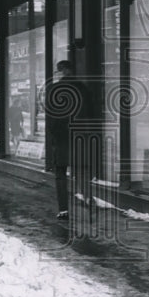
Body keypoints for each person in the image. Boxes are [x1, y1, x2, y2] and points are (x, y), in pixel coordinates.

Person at [46, 59, 92, 221]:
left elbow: (51, 117)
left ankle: (64, 210)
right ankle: (88, 202)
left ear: (61, 71)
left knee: (60, 174)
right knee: (82, 171)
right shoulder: (83, 88)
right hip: (81, 137)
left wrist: (55, 135)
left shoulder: (53, 89)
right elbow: (92, 114)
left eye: (57, 71)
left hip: (62, 138)